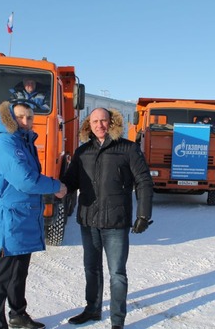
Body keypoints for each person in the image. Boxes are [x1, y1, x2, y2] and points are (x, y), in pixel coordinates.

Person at [61, 107, 154, 329]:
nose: (99, 125)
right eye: (95, 121)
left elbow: (144, 181)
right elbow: (70, 182)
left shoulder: (128, 149)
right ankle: (92, 309)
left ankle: (117, 320)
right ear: (88, 125)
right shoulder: (82, 152)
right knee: (91, 269)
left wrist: (143, 213)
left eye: (103, 121)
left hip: (116, 222)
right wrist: (52, 189)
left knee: (117, 274)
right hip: (89, 220)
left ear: (111, 123)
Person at [0, 100, 67, 329]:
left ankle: (18, 315)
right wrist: (56, 186)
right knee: (2, 276)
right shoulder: (5, 143)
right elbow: (25, 180)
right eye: (20, 117)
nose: (25, 121)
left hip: (24, 216)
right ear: (9, 118)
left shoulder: (22, 141)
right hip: (9, 218)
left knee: (19, 272)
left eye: (29, 117)